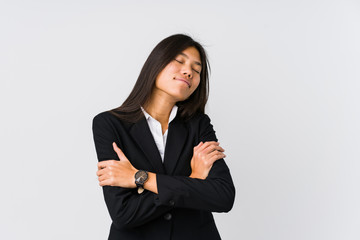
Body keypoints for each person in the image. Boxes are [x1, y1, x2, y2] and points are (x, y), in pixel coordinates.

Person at [92, 34, 235, 240]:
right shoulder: (109, 124)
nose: (188, 72)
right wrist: (193, 180)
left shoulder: (199, 125)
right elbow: (123, 213)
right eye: (179, 61)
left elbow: (223, 196)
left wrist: (139, 178)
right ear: (156, 64)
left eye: (197, 70)